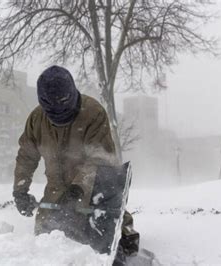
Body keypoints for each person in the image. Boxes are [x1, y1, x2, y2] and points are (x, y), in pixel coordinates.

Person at [12, 65, 139, 264]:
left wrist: (78, 189)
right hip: (55, 190)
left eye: (63, 103)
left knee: (98, 233)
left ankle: (124, 227)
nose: (58, 111)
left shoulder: (93, 113)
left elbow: (100, 158)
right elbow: (26, 156)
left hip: (92, 187)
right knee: (46, 237)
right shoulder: (37, 119)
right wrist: (20, 190)